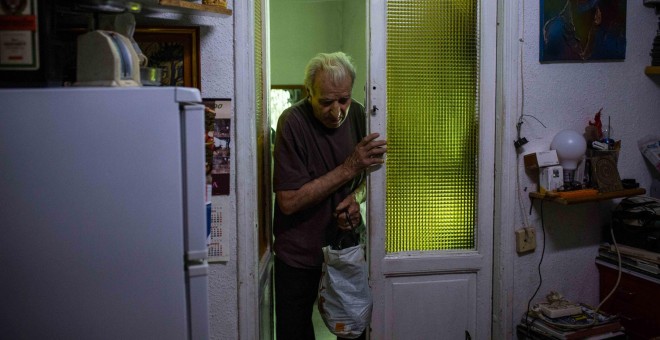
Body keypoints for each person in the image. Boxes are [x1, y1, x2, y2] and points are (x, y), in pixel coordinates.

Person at [272, 51, 387, 340]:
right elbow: (288, 202)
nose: (337, 111)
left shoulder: (362, 114)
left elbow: (373, 177)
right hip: (298, 255)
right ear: (309, 92)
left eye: (343, 100)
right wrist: (349, 168)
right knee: (294, 333)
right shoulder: (292, 122)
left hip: (346, 250)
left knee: (353, 331)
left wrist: (356, 199)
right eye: (326, 102)